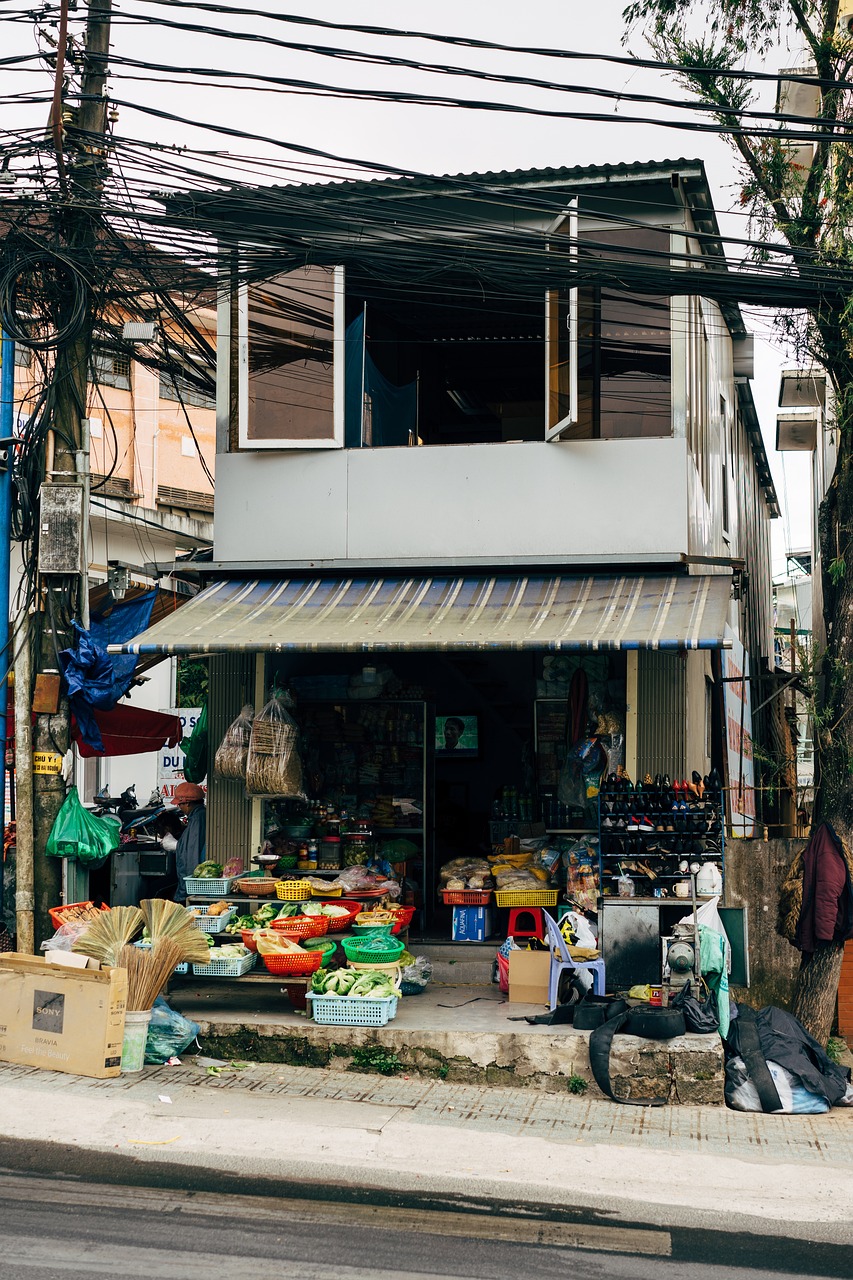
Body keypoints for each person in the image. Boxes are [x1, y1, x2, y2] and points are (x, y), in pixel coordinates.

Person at [169, 781, 207, 903]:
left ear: (188, 803)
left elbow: (192, 853)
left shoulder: (197, 819)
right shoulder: (198, 817)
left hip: (192, 885)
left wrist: (190, 885)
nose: (180, 807)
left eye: (180, 804)